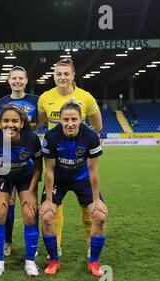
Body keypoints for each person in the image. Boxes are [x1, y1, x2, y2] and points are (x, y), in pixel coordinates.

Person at [37, 58, 103, 259]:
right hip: (55, 161)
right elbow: (38, 124)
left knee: (88, 208)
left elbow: (97, 126)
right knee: (53, 210)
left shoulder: (86, 97)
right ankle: (55, 247)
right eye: (59, 74)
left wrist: (82, 143)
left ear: (73, 75)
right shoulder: (45, 98)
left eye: (66, 73)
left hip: (79, 163)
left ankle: (91, 246)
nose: (63, 77)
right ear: (54, 76)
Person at [39, 100, 108, 277]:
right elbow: (50, 171)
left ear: (81, 119)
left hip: (82, 178)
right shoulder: (51, 137)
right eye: (66, 119)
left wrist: (97, 199)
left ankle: (94, 261)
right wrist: (48, 202)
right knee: (47, 216)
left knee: (99, 216)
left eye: (74, 119)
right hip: (58, 180)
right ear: (60, 120)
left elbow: (93, 170)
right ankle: (54, 260)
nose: (70, 123)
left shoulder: (90, 136)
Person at [0, 104, 42, 277]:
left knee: (30, 214)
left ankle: (30, 262)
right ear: (0, 123)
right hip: (3, 177)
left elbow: (38, 168)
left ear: (22, 123)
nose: (10, 124)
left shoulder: (32, 139)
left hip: (25, 178)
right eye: (6, 121)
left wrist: (31, 192)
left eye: (15, 120)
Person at [0, 66, 39, 257]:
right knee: (8, 203)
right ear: (8, 80)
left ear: (26, 80)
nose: (17, 81)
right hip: (4, 159)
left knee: (30, 205)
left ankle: (32, 245)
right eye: (14, 78)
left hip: (26, 157)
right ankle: (7, 241)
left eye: (20, 78)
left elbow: (40, 123)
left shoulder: (36, 101)